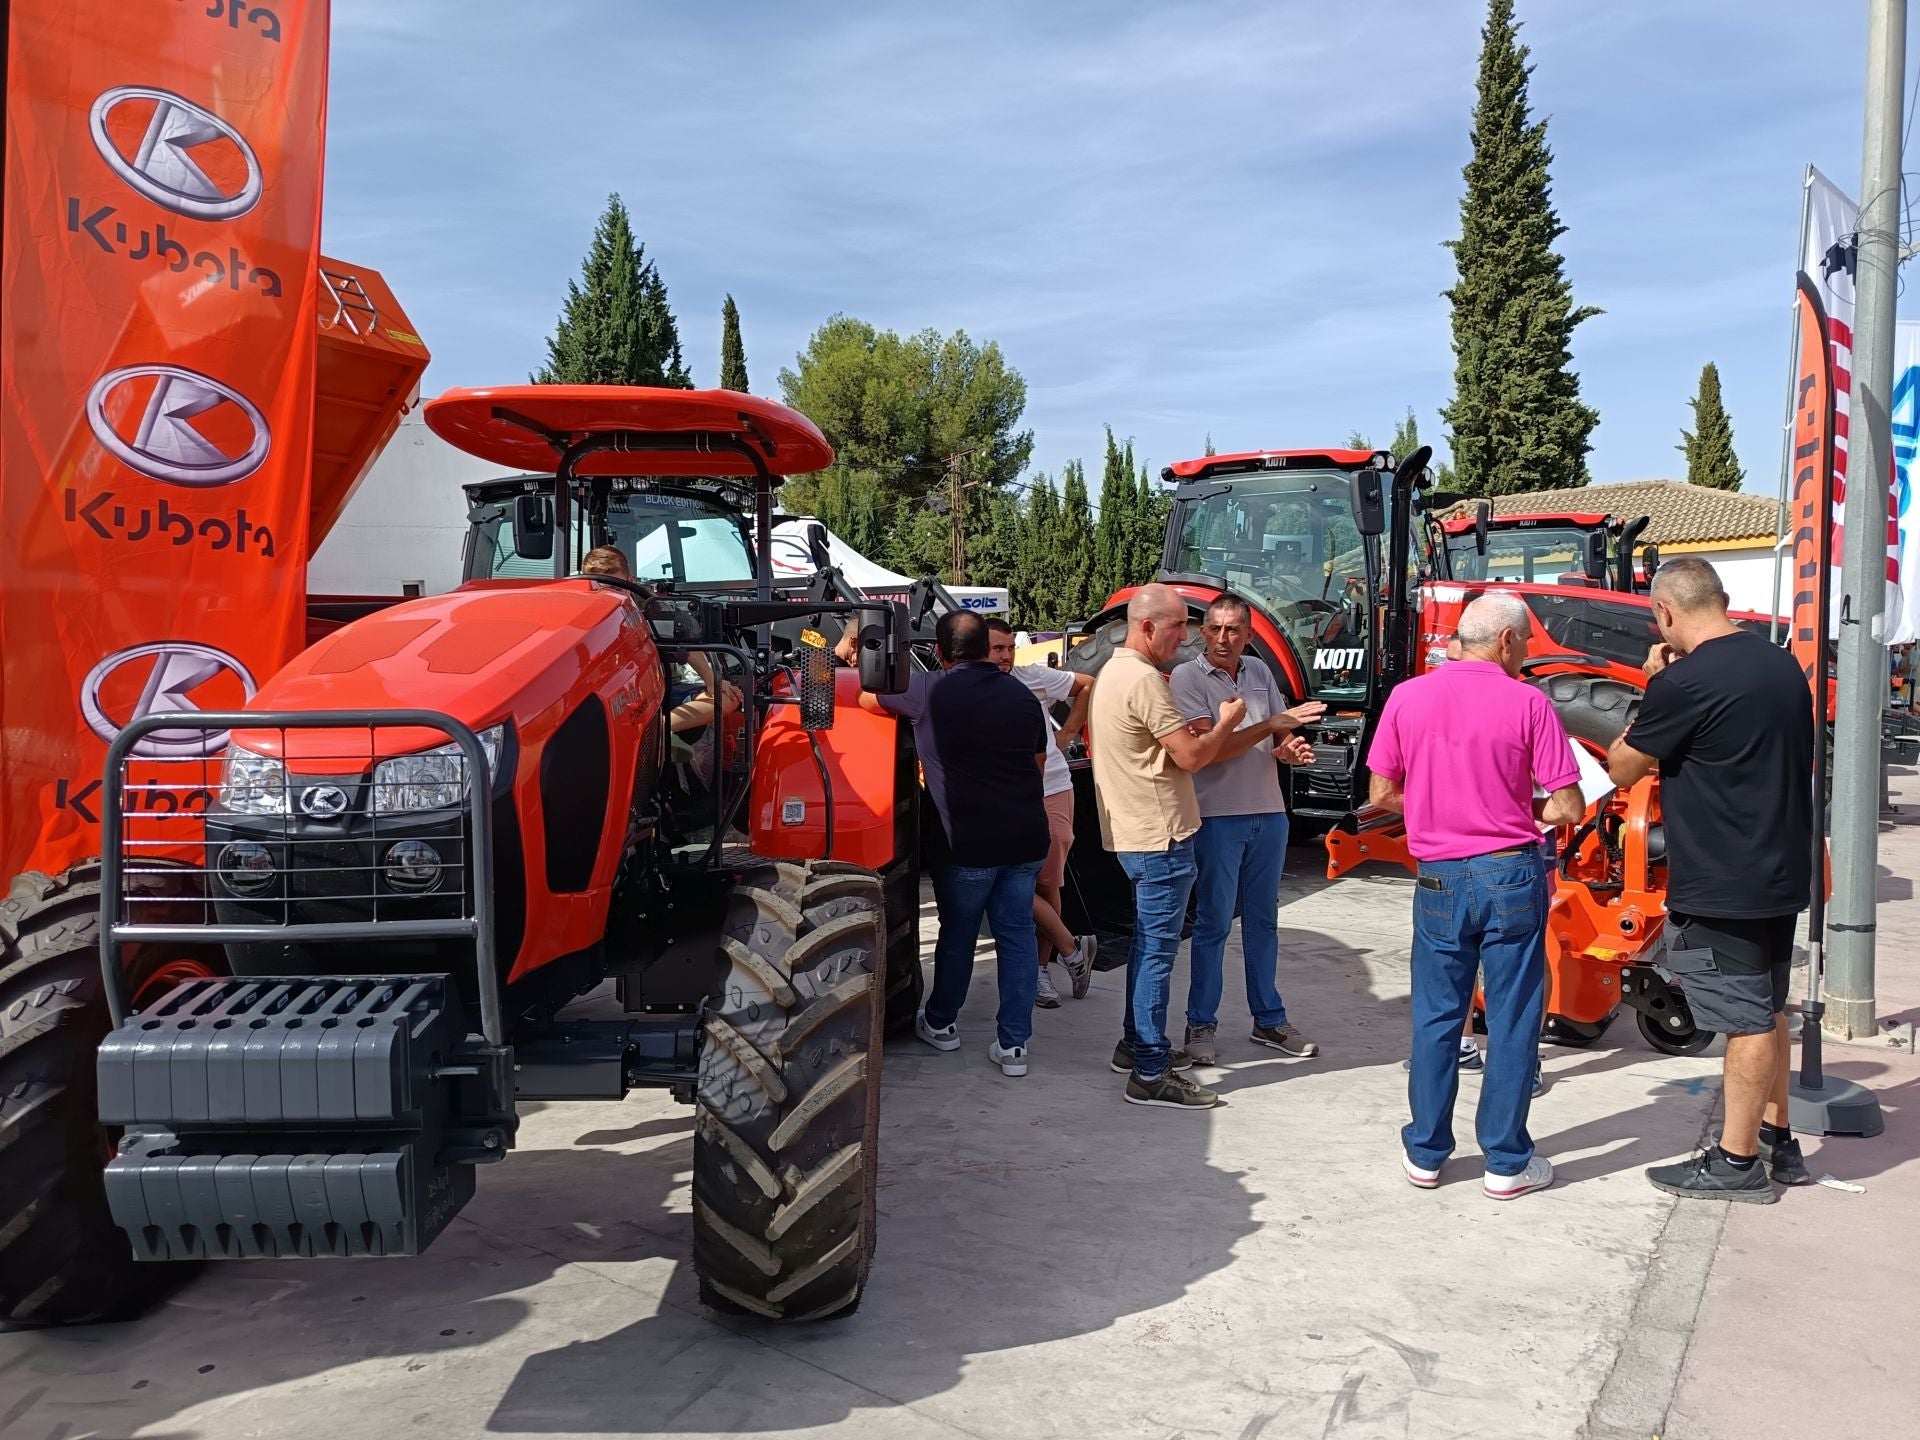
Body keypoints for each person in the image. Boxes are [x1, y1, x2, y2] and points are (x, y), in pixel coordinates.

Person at [1608, 557, 1816, 1202]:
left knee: (1745, 1022)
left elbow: (1622, 767)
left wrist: (1651, 686)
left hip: (1725, 878)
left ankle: (1736, 1162)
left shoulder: (1684, 681)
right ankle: (1781, 1141)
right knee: (1769, 1007)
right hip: (1780, 867)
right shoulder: (1782, 665)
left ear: (1665, 613)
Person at [1369, 593, 1584, 1199]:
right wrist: (1515, 806)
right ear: (1509, 643)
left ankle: (1427, 1153)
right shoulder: (1529, 702)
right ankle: (1505, 1162)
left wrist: (1440, 806)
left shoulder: (1409, 696)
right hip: (1510, 873)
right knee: (1513, 1019)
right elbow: (1569, 806)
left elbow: (1382, 790)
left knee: (1437, 1016)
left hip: (1439, 874)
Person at [846, 610, 1050, 1077]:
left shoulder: (927, 690)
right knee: (1017, 936)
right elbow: (1036, 765)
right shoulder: (1022, 696)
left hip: (967, 842)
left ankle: (941, 1024)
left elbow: (865, 696)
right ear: (987, 649)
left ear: (939, 653)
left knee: (958, 934)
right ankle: (1015, 1044)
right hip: (1025, 836)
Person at [1087, 584, 1267, 1110]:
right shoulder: (1143, 680)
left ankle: (1132, 1046)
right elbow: (1191, 757)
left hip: (1138, 832)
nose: (1187, 638)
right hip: (1160, 836)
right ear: (1146, 627)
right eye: (1178, 627)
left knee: (1147, 946)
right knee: (1157, 954)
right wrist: (1232, 723)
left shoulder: (1113, 673)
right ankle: (1149, 1068)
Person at [1168, 594, 1322, 1064]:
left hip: (1269, 813)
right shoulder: (1186, 678)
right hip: (1217, 816)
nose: (1222, 638)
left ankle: (1269, 1020)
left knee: (1264, 922)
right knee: (1213, 923)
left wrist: (1289, 747)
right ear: (1201, 631)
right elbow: (1209, 750)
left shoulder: (1258, 673)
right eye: (1214, 628)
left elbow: (1279, 734)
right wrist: (1272, 725)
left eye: (1233, 630)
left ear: (1248, 637)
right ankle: (1200, 1025)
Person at [984, 618, 1097, 1007]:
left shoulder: (1032, 677)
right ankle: (1072, 948)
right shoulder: (972, 687)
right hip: (1003, 797)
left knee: (1047, 884)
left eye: (1008, 648)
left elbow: (1086, 684)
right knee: (1008, 880)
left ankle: (1041, 971)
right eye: (995, 649)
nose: (1004, 656)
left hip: (1050, 789)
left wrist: (1066, 734)